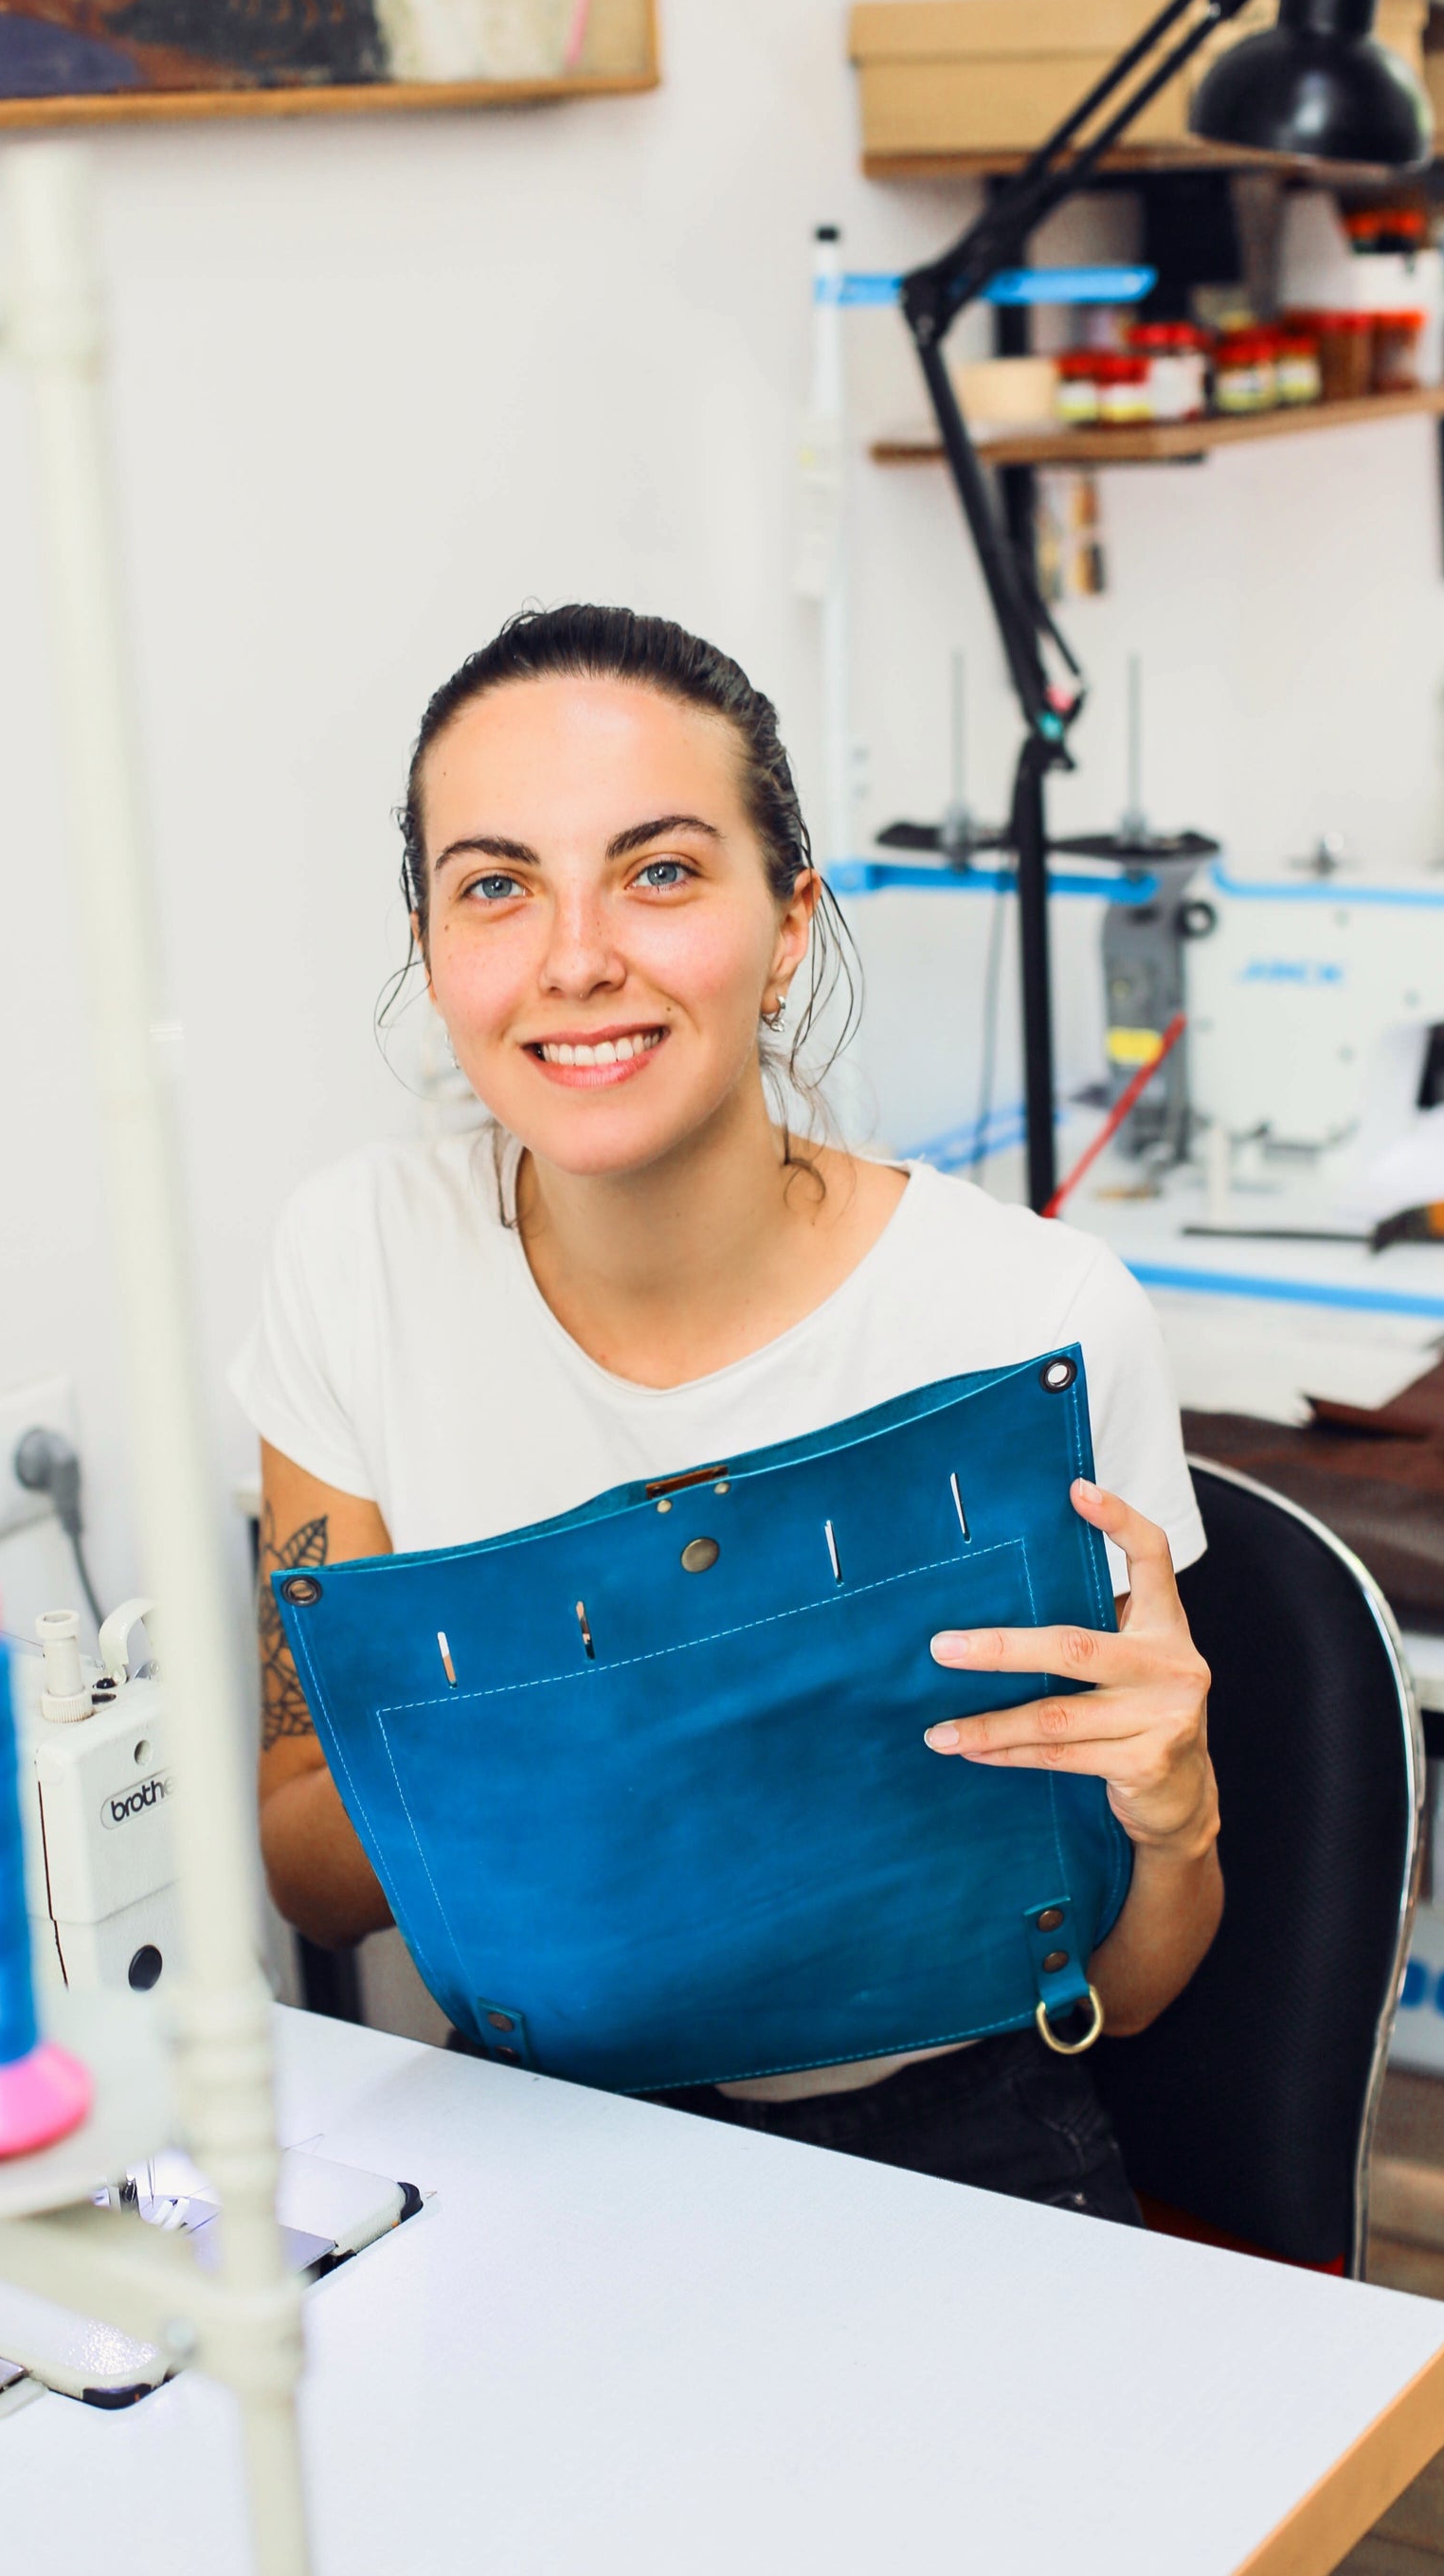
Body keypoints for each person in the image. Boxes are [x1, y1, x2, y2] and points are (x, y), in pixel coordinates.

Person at [231, 603, 1221, 2222]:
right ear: (432, 950)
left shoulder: (1031, 1320)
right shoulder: (356, 1263)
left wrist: (1177, 1817)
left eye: (662, 870)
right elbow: (308, 1869)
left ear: (785, 929)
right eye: (496, 885)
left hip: (961, 2145)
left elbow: (1140, 1977)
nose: (574, 955)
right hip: (532, 2142)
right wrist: (615, 1722)